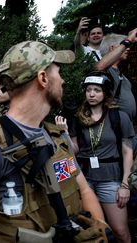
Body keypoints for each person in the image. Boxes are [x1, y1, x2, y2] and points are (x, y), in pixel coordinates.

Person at [0, 41, 107, 243]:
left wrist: (100, 231)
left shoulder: (57, 137)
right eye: (58, 72)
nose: (62, 81)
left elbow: (84, 189)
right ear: (43, 78)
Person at [59, 71, 133, 243]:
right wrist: (64, 133)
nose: (91, 94)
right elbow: (74, 150)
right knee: (95, 230)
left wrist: (125, 185)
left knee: (120, 231)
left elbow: (128, 152)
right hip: (85, 179)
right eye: (88, 90)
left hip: (111, 179)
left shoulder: (118, 116)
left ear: (106, 93)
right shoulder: (78, 117)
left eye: (97, 90)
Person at [95, 29, 137, 121]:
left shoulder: (120, 71)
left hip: (127, 125)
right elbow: (99, 67)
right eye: (123, 46)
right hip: (114, 126)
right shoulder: (106, 70)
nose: (128, 48)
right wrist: (128, 39)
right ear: (113, 48)